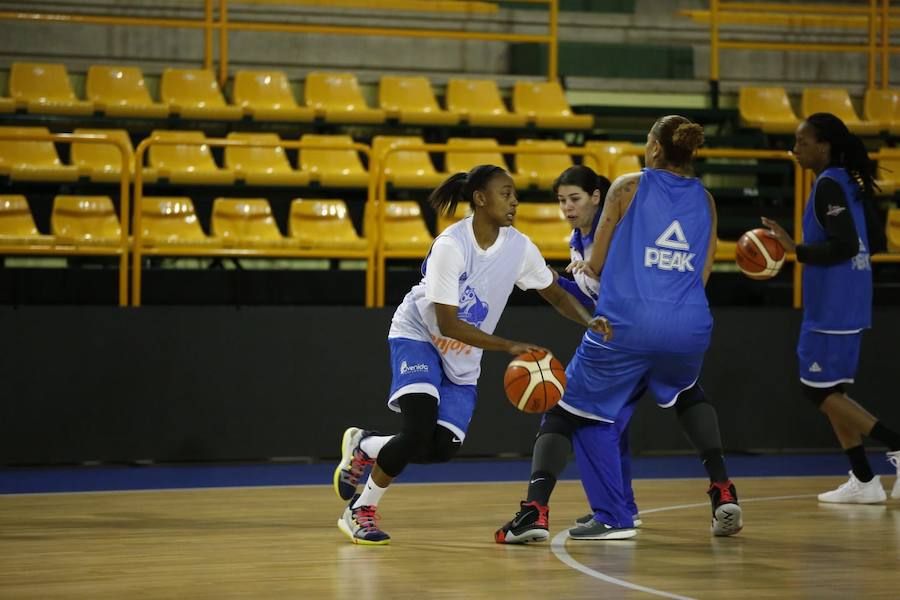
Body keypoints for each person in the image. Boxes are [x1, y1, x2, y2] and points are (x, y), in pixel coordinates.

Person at [331, 164, 611, 545]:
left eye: (514, 193)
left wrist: (589, 320)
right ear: (480, 199)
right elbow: (447, 324)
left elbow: (556, 293)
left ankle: (365, 445)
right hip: (420, 336)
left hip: (463, 358)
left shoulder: (518, 247)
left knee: (441, 448)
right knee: (416, 430)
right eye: (505, 193)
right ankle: (360, 510)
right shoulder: (452, 245)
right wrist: (509, 346)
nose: (514, 201)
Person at [551, 115, 742, 540]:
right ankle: (719, 487)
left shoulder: (627, 187)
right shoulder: (707, 200)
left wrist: (571, 275)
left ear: (654, 149)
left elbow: (594, 268)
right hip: (690, 325)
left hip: (629, 324)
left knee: (580, 409)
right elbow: (702, 274)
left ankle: (614, 516)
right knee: (686, 392)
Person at [763, 112, 900, 504]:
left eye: (802, 142)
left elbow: (843, 244)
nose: (795, 149)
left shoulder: (828, 186)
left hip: (833, 306)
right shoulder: (848, 183)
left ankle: (896, 445)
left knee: (816, 392)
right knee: (831, 390)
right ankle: (864, 480)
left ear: (824, 146)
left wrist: (795, 249)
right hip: (851, 299)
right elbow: (874, 240)